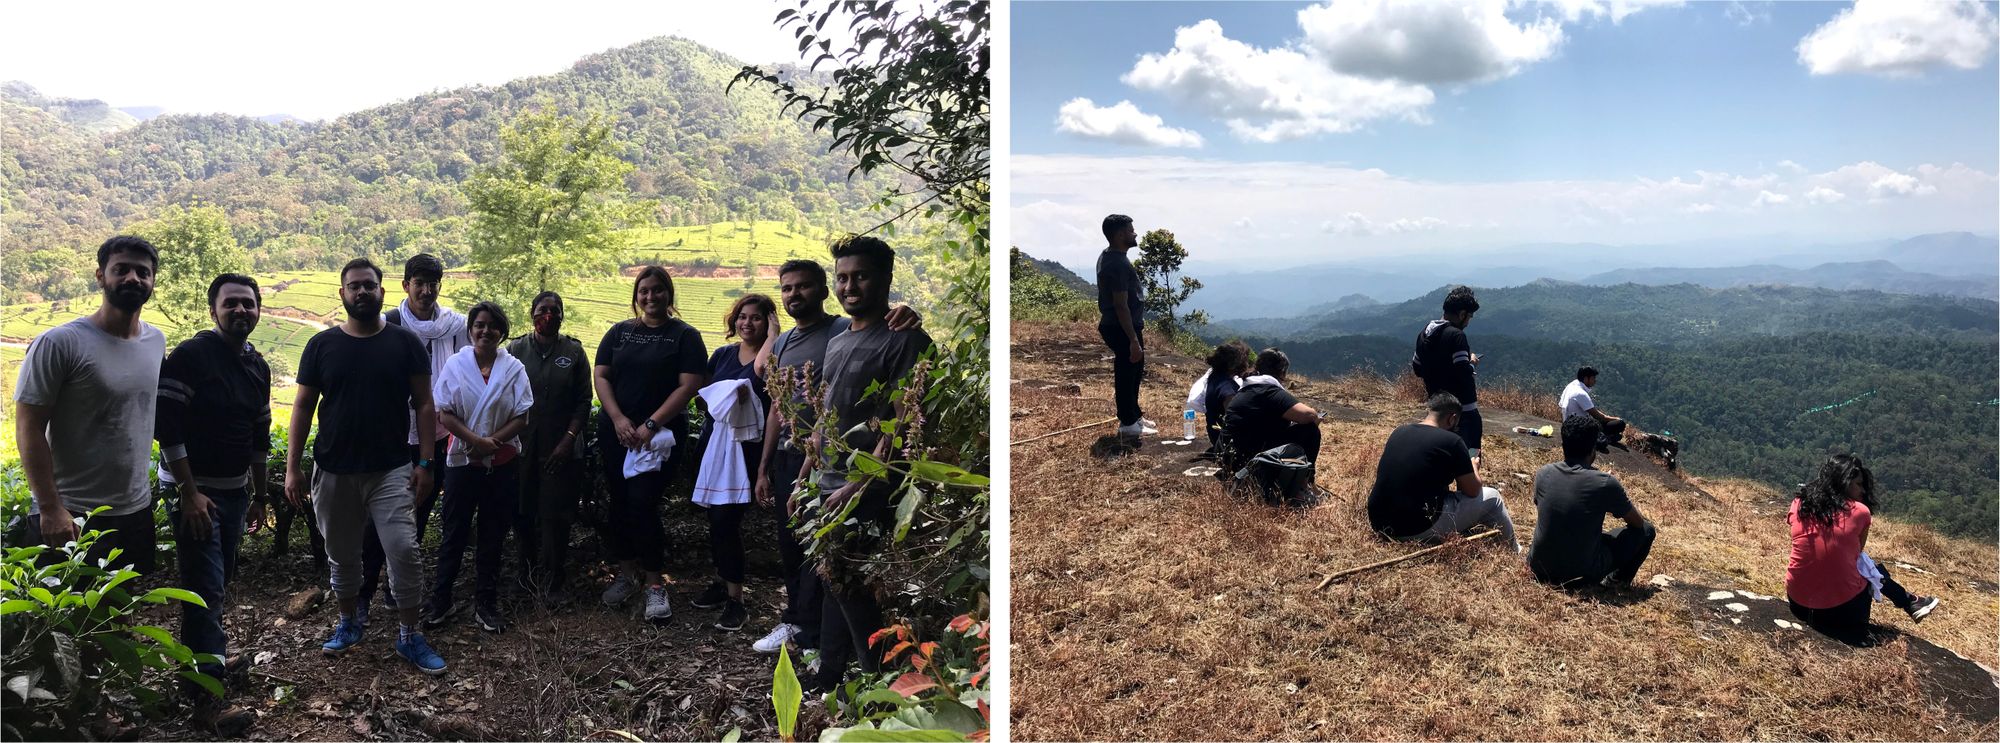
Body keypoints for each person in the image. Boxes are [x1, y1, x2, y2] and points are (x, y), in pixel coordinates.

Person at [747, 261, 921, 654]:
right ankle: (817, 645)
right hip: (806, 460)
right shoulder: (790, 340)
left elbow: (898, 411)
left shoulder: (843, 329)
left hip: (853, 467)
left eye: (804, 286)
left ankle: (838, 653)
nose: (795, 294)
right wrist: (771, 466)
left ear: (822, 291)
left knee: (840, 571)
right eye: (787, 288)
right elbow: (785, 404)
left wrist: (908, 312)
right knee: (803, 552)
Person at [284, 258, 446, 675]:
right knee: (341, 554)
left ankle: (410, 635)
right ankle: (348, 621)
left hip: (390, 468)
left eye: (368, 286)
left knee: (404, 550)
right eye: (354, 286)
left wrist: (425, 462)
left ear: (382, 292)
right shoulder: (321, 346)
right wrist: (292, 467)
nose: (361, 292)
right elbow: (302, 406)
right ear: (342, 295)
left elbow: (425, 404)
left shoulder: (404, 343)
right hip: (333, 469)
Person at [808, 235, 932, 694]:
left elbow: (902, 424)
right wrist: (809, 466)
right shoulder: (840, 338)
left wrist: (861, 484)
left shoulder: (906, 340)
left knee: (854, 586)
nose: (849, 286)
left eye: (860, 276)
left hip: (867, 486)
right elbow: (829, 407)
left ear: (885, 279)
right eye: (842, 277)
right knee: (833, 578)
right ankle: (831, 672)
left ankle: (882, 685)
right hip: (828, 478)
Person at [156, 273, 270, 736]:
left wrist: (260, 494)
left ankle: (206, 662)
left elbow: (260, 435)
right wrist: (188, 493)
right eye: (232, 304)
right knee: (205, 591)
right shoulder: (191, 356)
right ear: (213, 310)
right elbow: (168, 428)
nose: (241, 310)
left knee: (219, 582)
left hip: (234, 491)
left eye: (248, 303)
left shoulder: (256, 365)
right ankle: (207, 701)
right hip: (195, 493)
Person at [13, 236, 166, 575]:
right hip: (71, 512)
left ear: (153, 281)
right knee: (70, 624)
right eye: (121, 270)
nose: (132, 279)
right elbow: (28, 426)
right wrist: (51, 508)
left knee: (121, 614)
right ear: (100, 276)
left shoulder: (156, 341)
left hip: (134, 509)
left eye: (143, 272)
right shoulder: (60, 343)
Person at [593, 265, 708, 623]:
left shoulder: (684, 336)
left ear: (669, 294)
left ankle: (655, 584)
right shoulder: (620, 332)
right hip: (617, 433)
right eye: (644, 291)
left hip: (659, 438)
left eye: (658, 290)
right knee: (620, 504)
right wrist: (618, 419)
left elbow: (689, 385)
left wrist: (649, 424)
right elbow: (601, 375)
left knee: (643, 504)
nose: (651, 297)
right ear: (636, 296)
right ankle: (627, 574)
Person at [357, 253, 468, 622]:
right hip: (392, 433)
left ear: (440, 285)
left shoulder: (455, 326)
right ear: (405, 286)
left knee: (419, 510)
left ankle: (396, 583)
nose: (426, 290)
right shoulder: (388, 323)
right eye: (418, 283)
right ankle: (364, 588)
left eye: (432, 283)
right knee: (379, 516)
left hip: (437, 432)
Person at [424, 302, 532, 633]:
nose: (485, 331)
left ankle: (485, 603)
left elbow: (521, 415)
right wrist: (475, 441)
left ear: (503, 331)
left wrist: (491, 443)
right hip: (462, 462)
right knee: (454, 532)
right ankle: (441, 600)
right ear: (470, 329)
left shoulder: (513, 368)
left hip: (501, 463)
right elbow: (445, 412)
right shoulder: (456, 366)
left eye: (492, 326)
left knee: (493, 534)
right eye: (479, 325)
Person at [691, 294, 779, 633]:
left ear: (768, 321)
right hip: (714, 446)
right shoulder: (723, 355)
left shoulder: (772, 355)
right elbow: (703, 399)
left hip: (745, 451)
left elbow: (763, 376)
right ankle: (722, 580)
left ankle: (736, 598)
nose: (747, 323)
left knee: (726, 521)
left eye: (756, 318)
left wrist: (773, 336)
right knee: (714, 520)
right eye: (742, 316)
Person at [1785, 454, 1941, 645]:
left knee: (1857, 563)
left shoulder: (1800, 503)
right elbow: (1857, 554)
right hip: (1841, 613)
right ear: (1844, 482)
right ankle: (1909, 601)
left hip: (1798, 602)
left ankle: (1910, 601)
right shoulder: (1860, 512)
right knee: (1868, 566)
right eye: (1858, 484)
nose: (1862, 490)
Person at [507, 292, 591, 606]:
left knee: (556, 516)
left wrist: (568, 441)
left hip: (563, 448)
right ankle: (525, 575)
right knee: (523, 511)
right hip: (522, 447)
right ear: (532, 314)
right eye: (543, 310)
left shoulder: (574, 351)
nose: (549, 315)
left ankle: (555, 580)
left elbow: (584, 402)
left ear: (562, 316)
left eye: (555, 311)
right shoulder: (515, 349)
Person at [1366, 392, 1519, 552]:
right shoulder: (1452, 441)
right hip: (1416, 528)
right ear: (1452, 418)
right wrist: (1473, 466)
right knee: (1493, 497)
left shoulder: (1399, 431)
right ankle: (1514, 551)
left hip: (1379, 524)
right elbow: (1473, 491)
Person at [1527, 415, 1656, 589]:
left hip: (1539, 567)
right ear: (1593, 448)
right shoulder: (1605, 483)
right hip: (1581, 574)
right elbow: (1637, 523)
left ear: (1563, 445)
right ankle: (1616, 581)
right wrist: (1610, 489)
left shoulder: (1544, 473)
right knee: (1647, 531)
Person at [1096, 214, 1153, 438]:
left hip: (1121, 325)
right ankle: (1128, 423)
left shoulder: (1109, 255)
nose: (1135, 233)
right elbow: (1120, 305)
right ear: (1120, 235)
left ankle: (1134, 416)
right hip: (1120, 326)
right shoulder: (1117, 263)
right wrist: (1132, 339)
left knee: (1134, 369)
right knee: (1127, 372)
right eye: (1131, 230)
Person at [1412, 286, 1482, 463]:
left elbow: (1417, 368)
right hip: (1463, 411)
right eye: (1469, 317)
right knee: (1469, 458)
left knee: (1439, 458)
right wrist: (1470, 362)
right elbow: (1462, 373)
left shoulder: (1424, 333)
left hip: (1437, 409)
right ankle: (1466, 489)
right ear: (1462, 314)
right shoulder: (1457, 336)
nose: (1468, 322)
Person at [1220, 349, 1322, 469]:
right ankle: (1306, 481)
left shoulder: (1246, 388)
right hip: (1251, 461)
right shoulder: (1269, 391)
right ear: (1282, 373)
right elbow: (1309, 415)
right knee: (1310, 431)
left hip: (1228, 458)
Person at [1200, 340, 1251, 455]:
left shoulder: (1215, 377)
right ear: (1236, 364)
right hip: (1228, 444)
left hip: (1216, 437)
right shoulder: (1227, 388)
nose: (1247, 364)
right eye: (1245, 360)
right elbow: (1234, 416)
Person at [1559, 367, 1627, 452]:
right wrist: (1616, 419)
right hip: (1579, 428)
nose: (1595, 381)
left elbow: (1561, 405)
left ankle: (1606, 435)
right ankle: (1606, 437)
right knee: (1619, 424)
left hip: (1567, 425)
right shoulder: (1581, 393)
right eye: (1593, 378)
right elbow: (1599, 416)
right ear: (1586, 379)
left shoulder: (1571, 386)